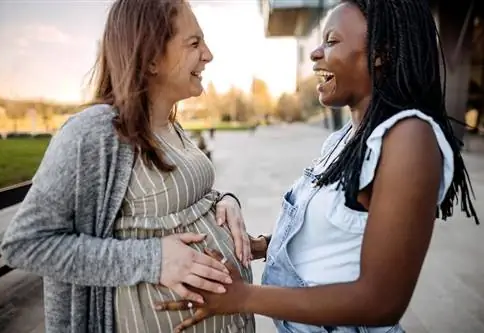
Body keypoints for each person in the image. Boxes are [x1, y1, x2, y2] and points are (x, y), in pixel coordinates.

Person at [154, 0, 479, 332]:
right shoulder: (341, 140)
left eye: (332, 41)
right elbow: (337, 238)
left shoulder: (409, 137)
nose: (315, 53)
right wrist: (263, 246)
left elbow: (381, 301)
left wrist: (242, 297)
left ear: (381, 52)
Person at [0, 0, 255, 332]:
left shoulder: (170, 125)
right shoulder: (93, 133)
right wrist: (153, 260)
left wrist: (224, 203)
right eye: (194, 43)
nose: (208, 55)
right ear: (150, 58)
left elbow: (183, 199)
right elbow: (25, 244)